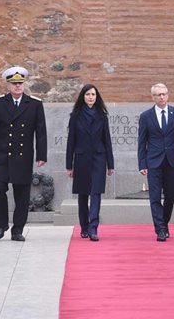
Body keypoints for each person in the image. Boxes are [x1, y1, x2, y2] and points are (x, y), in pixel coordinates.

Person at [0, 66, 47, 242]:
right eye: (14, 83)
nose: (18, 86)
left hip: (23, 155)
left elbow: (40, 131)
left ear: (24, 84)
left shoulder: (34, 104)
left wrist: (42, 155)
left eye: (20, 83)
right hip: (3, 155)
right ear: (8, 85)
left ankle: (17, 229)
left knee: (22, 195)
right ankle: (1, 224)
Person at [138, 83, 174, 242]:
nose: (162, 97)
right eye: (158, 95)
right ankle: (160, 229)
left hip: (172, 162)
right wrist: (142, 164)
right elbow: (142, 142)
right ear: (153, 97)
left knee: (170, 197)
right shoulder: (146, 116)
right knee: (154, 197)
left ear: (168, 95)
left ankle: (164, 223)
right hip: (153, 162)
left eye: (164, 94)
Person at [65, 84, 114, 242]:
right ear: (83, 97)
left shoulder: (102, 116)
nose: (91, 97)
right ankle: (84, 226)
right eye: (88, 94)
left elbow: (107, 141)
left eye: (93, 94)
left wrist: (110, 164)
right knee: (83, 193)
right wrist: (69, 165)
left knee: (96, 193)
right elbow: (71, 141)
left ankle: (93, 228)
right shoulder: (76, 116)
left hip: (99, 158)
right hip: (81, 158)